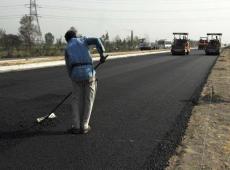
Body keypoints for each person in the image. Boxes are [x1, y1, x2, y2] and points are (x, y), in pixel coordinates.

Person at [64, 30, 106, 134]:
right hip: (89, 75)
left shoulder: (67, 47)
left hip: (75, 75)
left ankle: (76, 126)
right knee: (89, 99)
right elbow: (97, 40)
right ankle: (85, 126)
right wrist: (101, 54)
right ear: (75, 36)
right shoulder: (83, 40)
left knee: (75, 100)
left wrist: (72, 78)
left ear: (67, 40)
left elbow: (68, 66)